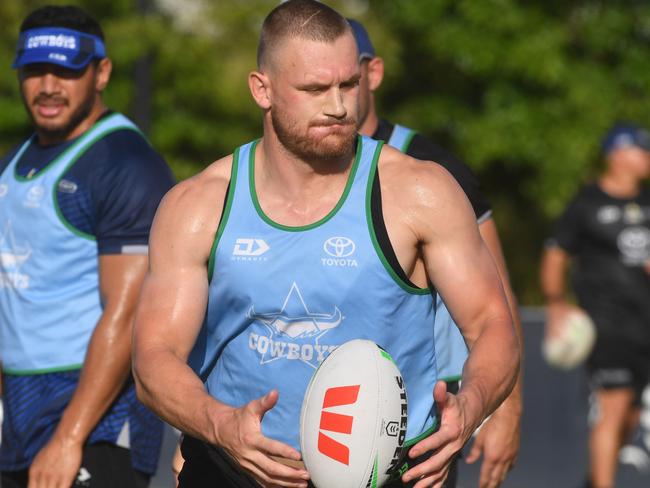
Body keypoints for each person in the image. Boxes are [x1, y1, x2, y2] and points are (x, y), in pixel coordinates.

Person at [132, 1, 519, 488]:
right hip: (236, 469)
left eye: (348, 85)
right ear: (262, 89)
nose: (338, 106)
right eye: (315, 89)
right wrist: (219, 425)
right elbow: (154, 357)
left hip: (392, 474)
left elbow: (492, 323)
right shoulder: (199, 205)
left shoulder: (419, 191)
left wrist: (473, 404)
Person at [0, 5, 175, 488]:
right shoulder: (14, 161)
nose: (49, 85)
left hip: (94, 425)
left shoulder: (126, 164)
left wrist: (68, 437)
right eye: (35, 71)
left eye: (66, 71)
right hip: (21, 416)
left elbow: (130, 312)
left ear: (101, 73)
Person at [348, 19, 523, 488]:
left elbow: (496, 295)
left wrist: (507, 407)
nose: (335, 94)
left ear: (373, 72)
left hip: (425, 407)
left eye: (349, 75)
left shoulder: (433, 169)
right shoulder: (289, 170)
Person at [540, 123, 650, 488]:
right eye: (641, 150)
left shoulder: (647, 202)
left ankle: (593, 481)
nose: (647, 157)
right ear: (617, 154)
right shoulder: (587, 203)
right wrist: (556, 304)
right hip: (606, 324)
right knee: (613, 406)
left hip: (644, 326)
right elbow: (556, 255)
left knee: (632, 416)